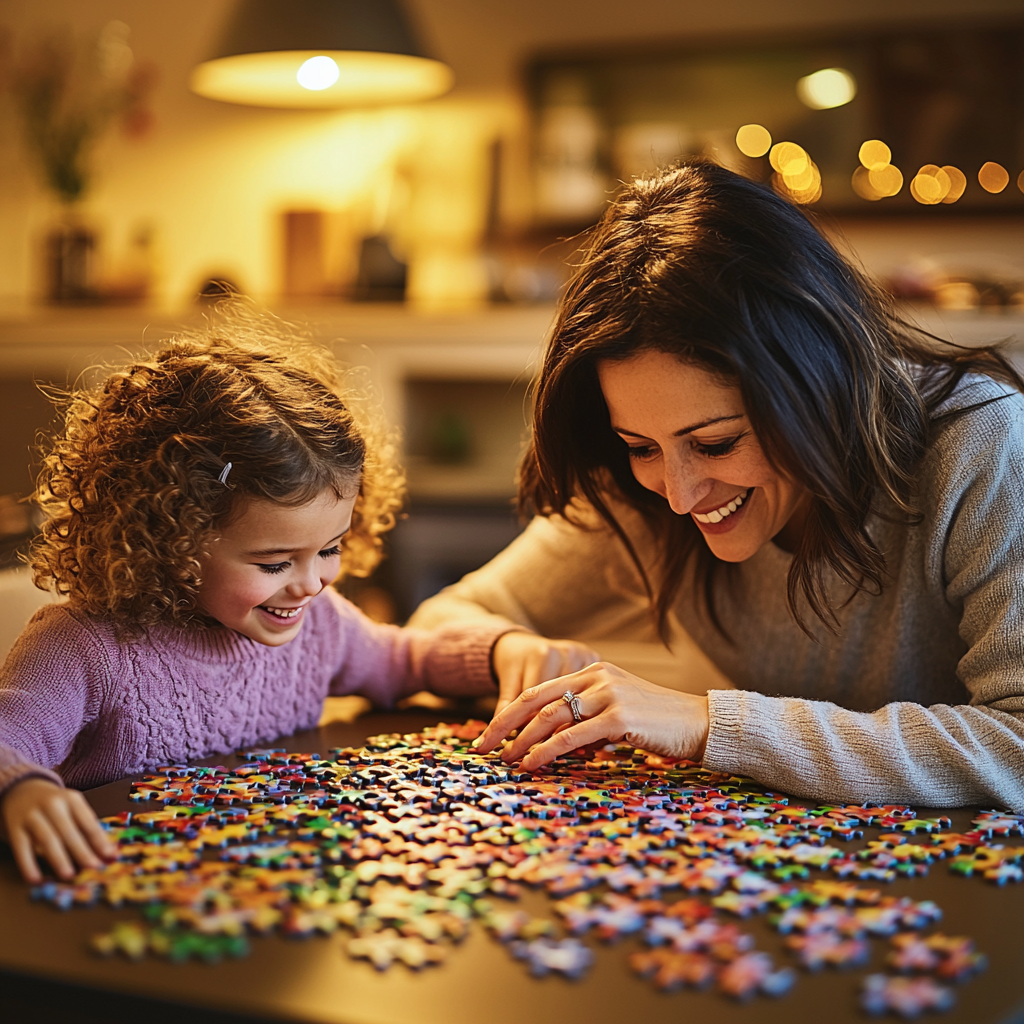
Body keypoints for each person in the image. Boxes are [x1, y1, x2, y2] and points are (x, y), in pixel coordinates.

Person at [418, 160, 1024, 811]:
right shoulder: (639, 494)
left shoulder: (982, 443)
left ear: (815, 389)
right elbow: (441, 621)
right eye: (640, 447)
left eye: (716, 444)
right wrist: (506, 649)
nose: (680, 496)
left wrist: (710, 723)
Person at [0, 312, 592, 884]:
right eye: (275, 562)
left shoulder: (320, 624)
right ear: (168, 538)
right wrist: (20, 789)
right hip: (123, 893)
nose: (312, 583)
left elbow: (403, 659)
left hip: (270, 886)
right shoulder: (82, 647)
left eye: (330, 549)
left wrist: (500, 651)